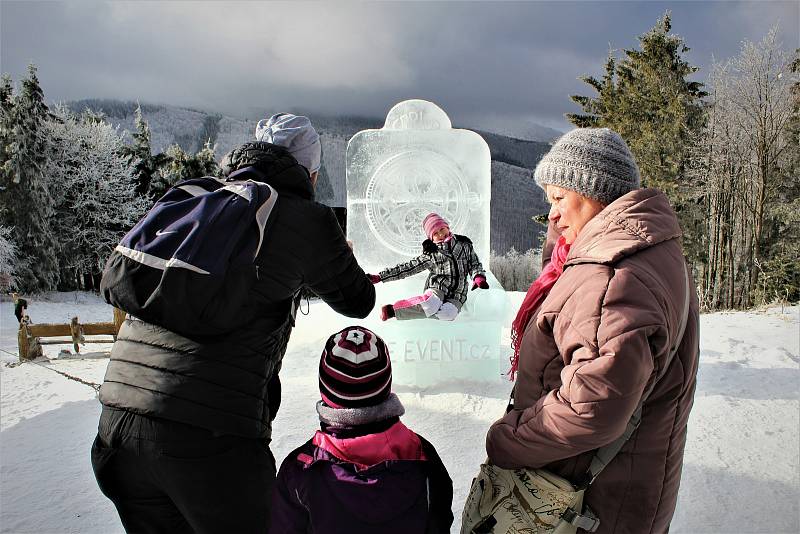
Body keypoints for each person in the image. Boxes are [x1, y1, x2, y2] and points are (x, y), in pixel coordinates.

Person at [91, 113, 376, 533]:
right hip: (211, 441)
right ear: (310, 172)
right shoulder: (307, 219)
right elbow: (358, 300)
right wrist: (335, 256)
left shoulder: (201, 201)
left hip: (116, 429)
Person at [484, 128, 699, 533]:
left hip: (591, 501)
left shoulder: (612, 280)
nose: (552, 214)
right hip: (627, 483)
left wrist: (508, 440)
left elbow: (590, 409)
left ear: (594, 193)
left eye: (559, 199)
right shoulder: (650, 250)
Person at [270, 326, 453, 534]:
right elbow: (439, 523)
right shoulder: (424, 456)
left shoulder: (300, 470)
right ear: (386, 385)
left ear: (325, 390)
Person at [368, 213, 488, 322]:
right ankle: (392, 310)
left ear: (447, 227)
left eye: (442, 229)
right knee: (431, 305)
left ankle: (424, 311)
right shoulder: (431, 254)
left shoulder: (464, 245)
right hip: (438, 288)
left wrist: (478, 277)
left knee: (448, 314)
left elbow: (474, 263)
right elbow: (408, 268)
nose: (441, 234)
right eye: (435, 233)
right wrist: (380, 277)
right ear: (431, 237)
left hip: (458, 294)